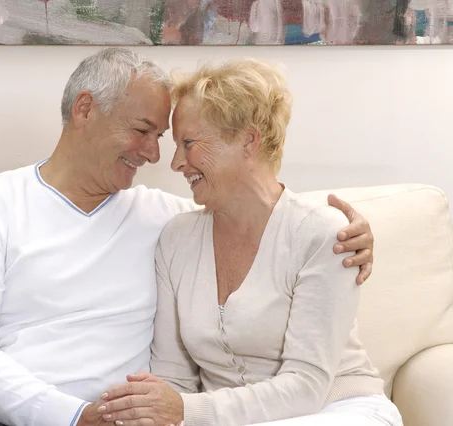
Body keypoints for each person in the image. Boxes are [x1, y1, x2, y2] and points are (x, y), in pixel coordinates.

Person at [0, 48, 376, 426]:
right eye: (143, 131)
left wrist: (353, 236)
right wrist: (72, 416)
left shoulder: (167, 219)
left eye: (167, 138)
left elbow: (257, 211)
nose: (157, 155)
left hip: (119, 416)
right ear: (85, 109)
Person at [96, 60, 403, 425]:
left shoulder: (323, 234)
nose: (176, 162)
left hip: (335, 410)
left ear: (248, 140)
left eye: (189, 143)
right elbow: (173, 378)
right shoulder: (176, 238)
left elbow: (306, 387)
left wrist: (185, 411)